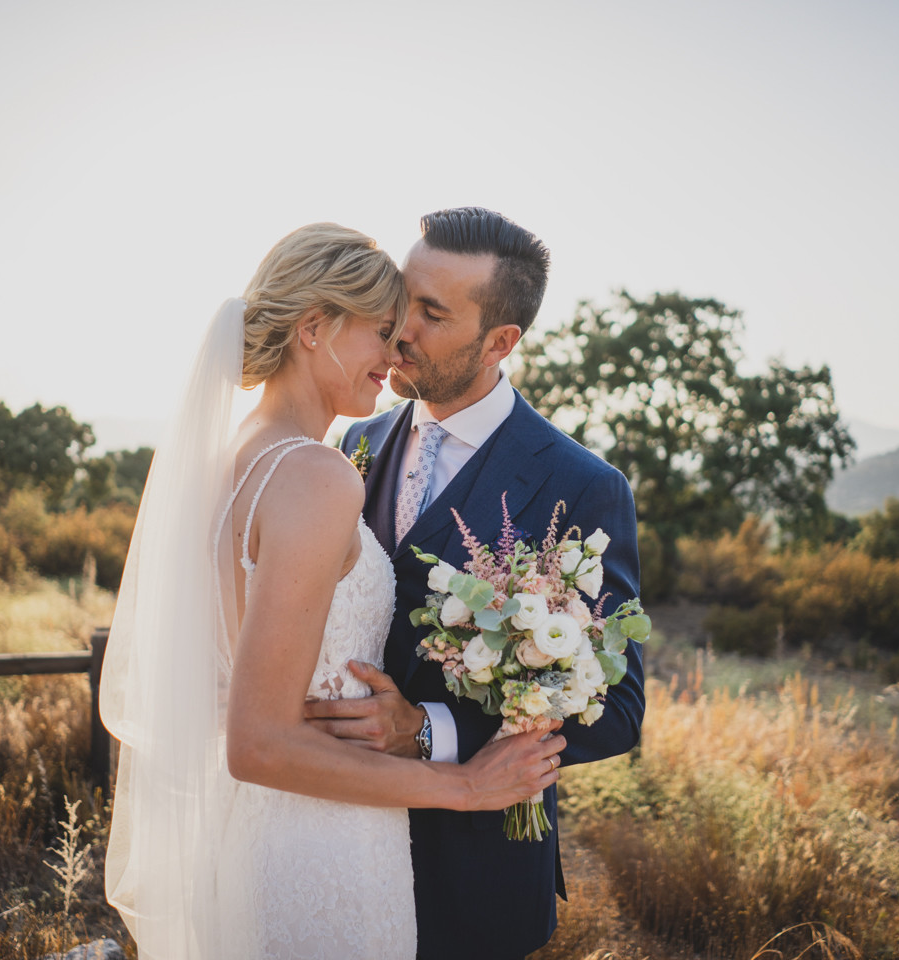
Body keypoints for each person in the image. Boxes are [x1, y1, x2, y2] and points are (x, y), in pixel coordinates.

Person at [99, 223, 567, 960]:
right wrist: (468, 788)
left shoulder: (226, 463)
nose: (395, 350)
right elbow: (258, 743)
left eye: (414, 321)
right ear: (314, 329)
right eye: (381, 330)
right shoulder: (318, 475)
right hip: (320, 848)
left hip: (249, 837)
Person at [308, 207, 647, 959]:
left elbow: (619, 708)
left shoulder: (581, 486)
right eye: (404, 299)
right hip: (337, 835)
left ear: (500, 341)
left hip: (476, 866)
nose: (400, 328)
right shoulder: (354, 442)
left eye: (432, 313)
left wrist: (429, 732)